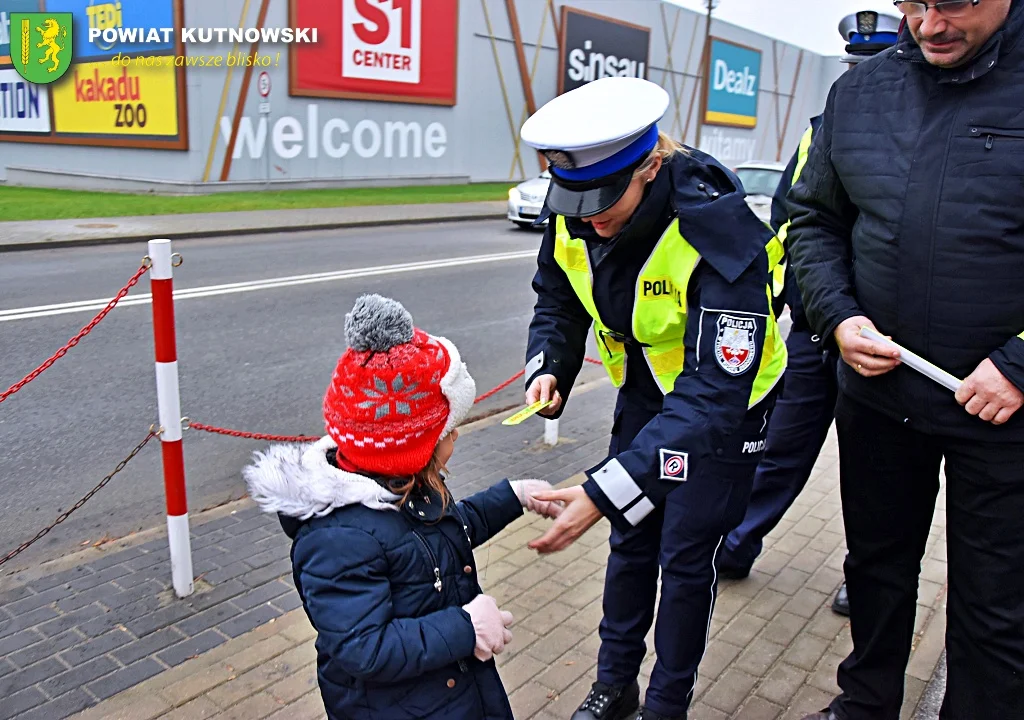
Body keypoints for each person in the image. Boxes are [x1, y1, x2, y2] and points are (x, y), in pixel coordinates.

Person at [518, 76, 789, 720]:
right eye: (575, 200)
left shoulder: (716, 230)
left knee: (686, 552)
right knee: (631, 540)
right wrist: (549, 363)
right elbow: (556, 295)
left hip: (723, 411)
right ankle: (613, 688)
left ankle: (667, 703)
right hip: (647, 397)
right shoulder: (578, 207)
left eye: (605, 200)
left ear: (651, 165)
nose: (588, 218)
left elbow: (716, 392)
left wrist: (604, 489)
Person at [786, 1, 1024, 718]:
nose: (929, 25)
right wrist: (838, 315)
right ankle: (864, 703)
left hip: (1005, 412)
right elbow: (814, 222)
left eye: (952, 2)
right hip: (880, 396)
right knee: (876, 569)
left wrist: (1020, 363)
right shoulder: (859, 92)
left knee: (997, 600)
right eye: (912, 3)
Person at [242, 294, 563, 720]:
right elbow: (364, 647)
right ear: (411, 449)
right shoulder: (338, 538)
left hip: (448, 689)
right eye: (449, 432)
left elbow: (447, 531)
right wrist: (464, 629)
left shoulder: (405, 487)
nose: (457, 439)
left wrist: (514, 495)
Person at [715, 11, 903, 620]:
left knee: (874, 469)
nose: (861, 75)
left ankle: (864, 573)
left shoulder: (919, 132)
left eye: (872, 63)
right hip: (817, 325)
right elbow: (792, 221)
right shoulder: (825, 127)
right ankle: (734, 546)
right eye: (853, 65)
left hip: (884, 337)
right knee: (778, 447)